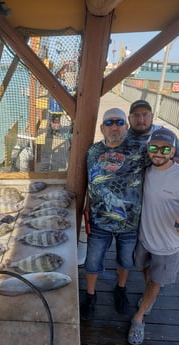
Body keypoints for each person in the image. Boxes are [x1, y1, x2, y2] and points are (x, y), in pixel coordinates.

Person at [80, 108, 148, 320]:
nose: (115, 126)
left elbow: (165, 159)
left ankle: (121, 288)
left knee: (125, 260)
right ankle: (90, 295)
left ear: (127, 126)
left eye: (119, 122)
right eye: (109, 123)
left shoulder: (141, 149)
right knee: (92, 262)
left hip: (130, 221)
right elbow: (87, 181)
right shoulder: (92, 152)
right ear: (102, 128)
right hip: (99, 220)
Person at [127, 128, 179, 345]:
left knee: (156, 281)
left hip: (167, 246)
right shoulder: (146, 170)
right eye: (153, 147)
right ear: (147, 148)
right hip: (144, 238)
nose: (158, 153)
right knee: (146, 272)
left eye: (165, 149)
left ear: (173, 150)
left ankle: (138, 318)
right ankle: (150, 297)